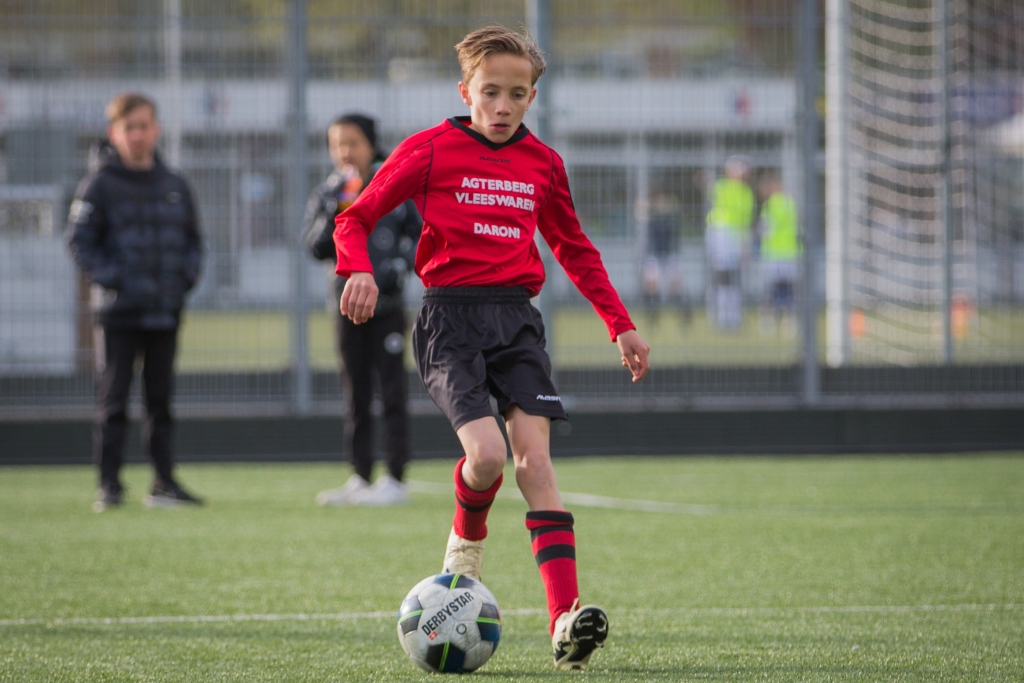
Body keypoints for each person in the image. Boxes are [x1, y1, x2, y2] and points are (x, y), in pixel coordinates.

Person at [333, 26, 650, 670]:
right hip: (449, 321)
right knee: (486, 457)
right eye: (490, 93)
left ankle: (564, 622)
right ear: (466, 92)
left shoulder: (544, 164)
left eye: (517, 94)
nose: (503, 106)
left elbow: (574, 248)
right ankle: (464, 549)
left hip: (517, 324)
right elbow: (355, 217)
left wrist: (619, 323)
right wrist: (357, 269)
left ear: (533, 96)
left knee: (536, 464)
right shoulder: (429, 150)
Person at [67, 92, 204, 512]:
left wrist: (182, 280)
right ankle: (109, 486)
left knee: (160, 402)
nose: (138, 135)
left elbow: (194, 242)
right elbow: (79, 242)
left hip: (165, 309)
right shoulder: (98, 185)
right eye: (130, 127)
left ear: (155, 129)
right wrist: (117, 282)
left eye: (144, 126)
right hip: (118, 313)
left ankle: (164, 483)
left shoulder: (175, 183)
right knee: (113, 401)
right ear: (114, 133)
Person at [304, 113, 422, 506]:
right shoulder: (330, 193)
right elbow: (316, 247)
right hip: (347, 308)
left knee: (392, 390)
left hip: (387, 307)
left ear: (371, 145)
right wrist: (338, 207)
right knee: (355, 392)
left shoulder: (396, 187)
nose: (345, 152)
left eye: (352, 143)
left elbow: (421, 236)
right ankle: (359, 474)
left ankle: (396, 478)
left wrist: (395, 268)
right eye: (336, 144)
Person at [704, 155, 756, 331]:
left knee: (734, 277)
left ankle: (732, 317)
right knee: (722, 276)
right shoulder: (722, 186)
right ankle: (720, 316)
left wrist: (745, 244)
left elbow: (746, 220)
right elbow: (709, 187)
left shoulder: (746, 192)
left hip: (736, 236)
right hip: (721, 233)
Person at [755, 171, 800, 334]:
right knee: (790, 289)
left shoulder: (771, 204)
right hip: (791, 252)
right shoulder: (790, 202)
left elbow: (765, 229)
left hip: (773, 253)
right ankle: (791, 320)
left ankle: (768, 319)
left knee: (769, 289)